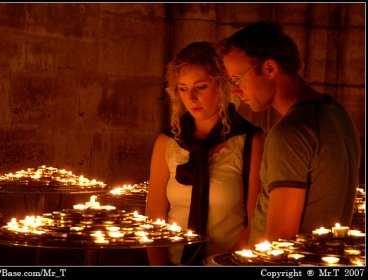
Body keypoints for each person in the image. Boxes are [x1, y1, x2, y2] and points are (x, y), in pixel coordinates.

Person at [218, 21, 361, 246]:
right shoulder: (337, 113)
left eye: (237, 79)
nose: (235, 91)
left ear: (270, 69)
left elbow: (280, 242)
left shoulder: (290, 133)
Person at [145, 41, 264, 265]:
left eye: (200, 87)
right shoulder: (167, 142)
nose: (190, 97)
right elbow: (153, 219)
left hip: (227, 263)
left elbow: (256, 221)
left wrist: (228, 263)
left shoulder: (250, 140)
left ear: (222, 86)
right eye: (182, 88)